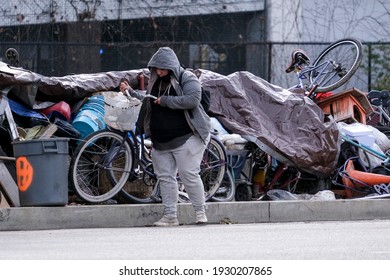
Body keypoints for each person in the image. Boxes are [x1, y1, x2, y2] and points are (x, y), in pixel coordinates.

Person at [120, 47, 211, 226]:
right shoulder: (156, 81)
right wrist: (130, 92)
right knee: (165, 177)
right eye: (156, 68)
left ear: (171, 66)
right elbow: (149, 99)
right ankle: (170, 216)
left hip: (188, 137)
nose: (159, 72)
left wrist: (167, 101)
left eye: (162, 68)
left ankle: (200, 212)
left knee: (188, 174)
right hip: (161, 141)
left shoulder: (187, 78)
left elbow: (193, 99)